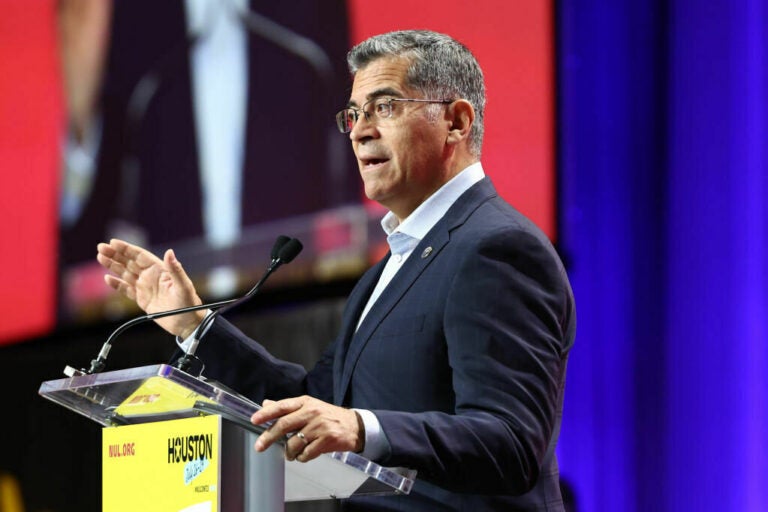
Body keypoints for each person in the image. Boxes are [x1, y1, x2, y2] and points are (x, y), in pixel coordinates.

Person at [96, 29, 576, 511]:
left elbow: (512, 442)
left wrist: (361, 428)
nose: (360, 130)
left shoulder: (497, 248)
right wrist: (194, 325)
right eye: (354, 114)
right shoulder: (384, 273)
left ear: (455, 121)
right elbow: (309, 401)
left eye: (385, 107)